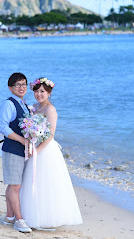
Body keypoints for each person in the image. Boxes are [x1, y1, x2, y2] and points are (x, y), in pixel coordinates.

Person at [20, 77, 83, 229]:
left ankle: (48, 219)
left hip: (46, 151)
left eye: (42, 91)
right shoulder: (34, 107)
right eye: (36, 91)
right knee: (31, 182)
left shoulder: (50, 109)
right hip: (34, 147)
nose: (38, 94)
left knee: (47, 183)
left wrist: (36, 151)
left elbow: (50, 135)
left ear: (48, 93)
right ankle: (30, 216)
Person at [0, 72, 32, 233]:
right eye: (17, 85)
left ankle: (9, 217)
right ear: (10, 88)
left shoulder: (24, 104)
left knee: (14, 184)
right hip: (13, 150)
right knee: (15, 185)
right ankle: (19, 220)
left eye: (24, 84)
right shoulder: (9, 104)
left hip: (22, 150)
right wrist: (22, 140)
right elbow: (3, 127)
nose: (21, 87)